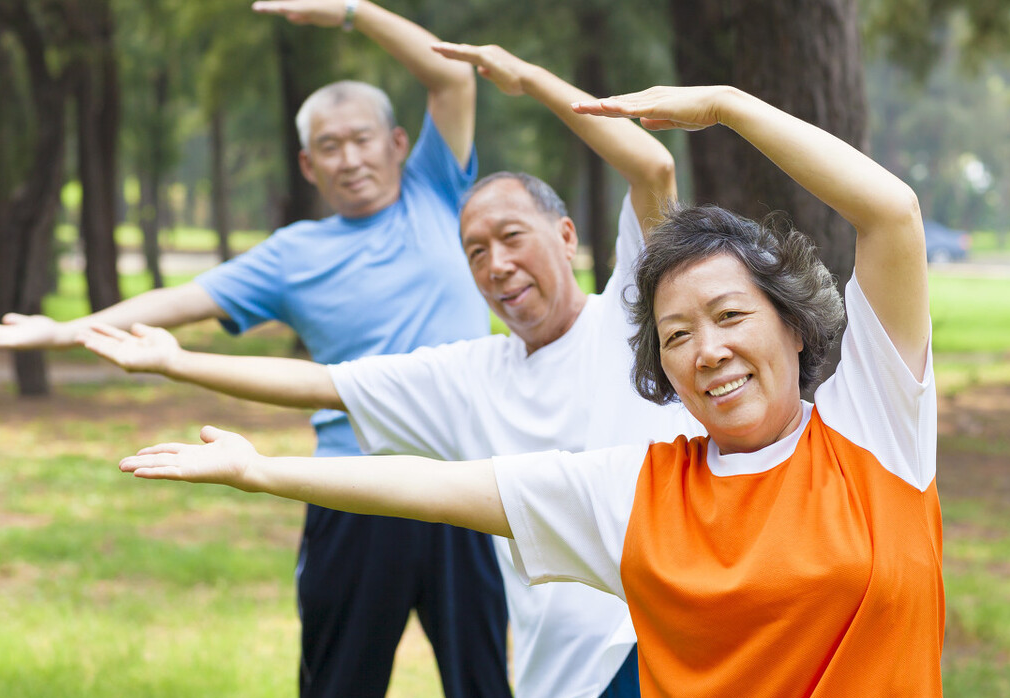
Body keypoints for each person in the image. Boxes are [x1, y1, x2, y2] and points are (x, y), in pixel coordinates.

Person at [115, 84, 944, 696]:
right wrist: (260, 470)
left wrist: (727, 107)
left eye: (730, 316)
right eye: (678, 335)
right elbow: (436, 487)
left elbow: (893, 216)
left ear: (794, 326)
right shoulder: (640, 491)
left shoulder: (873, 427)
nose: (709, 351)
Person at [81, 44, 703, 698]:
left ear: (568, 237)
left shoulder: (633, 310)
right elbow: (326, 385)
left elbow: (652, 165)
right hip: (560, 674)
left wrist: (528, 81)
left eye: (513, 237)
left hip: (659, 643)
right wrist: (178, 363)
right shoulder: (471, 376)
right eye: (476, 251)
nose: (496, 264)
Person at [0, 2, 514, 697]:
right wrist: (62, 330)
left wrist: (352, 13)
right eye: (329, 146)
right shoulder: (292, 256)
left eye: (362, 139)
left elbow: (452, 79)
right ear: (308, 163)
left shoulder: (438, 190)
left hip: (465, 487)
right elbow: (177, 303)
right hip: (353, 492)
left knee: (483, 684)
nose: (350, 158)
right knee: (338, 684)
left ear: (398, 143)